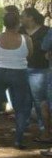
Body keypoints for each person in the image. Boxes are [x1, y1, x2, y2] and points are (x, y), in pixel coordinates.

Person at [0, 10, 33, 148]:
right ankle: (18, 140)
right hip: (19, 72)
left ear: (4, 23)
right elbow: (29, 55)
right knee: (20, 108)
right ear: (18, 23)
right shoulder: (26, 39)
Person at [20, 8, 51, 143]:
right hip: (21, 68)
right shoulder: (20, 31)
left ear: (31, 17)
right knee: (24, 99)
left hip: (39, 70)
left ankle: (44, 129)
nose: (21, 19)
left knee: (40, 101)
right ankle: (23, 125)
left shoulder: (46, 31)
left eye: (23, 16)